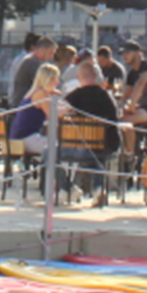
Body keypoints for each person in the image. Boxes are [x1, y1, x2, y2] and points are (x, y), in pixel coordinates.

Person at [62, 59, 119, 202]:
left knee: (50, 153)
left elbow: (60, 113)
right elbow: (114, 120)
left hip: (76, 147)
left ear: (79, 78)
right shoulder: (106, 97)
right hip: (104, 146)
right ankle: (98, 189)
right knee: (95, 152)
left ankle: (68, 188)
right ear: (96, 76)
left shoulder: (73, 97)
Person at [119, 40, 147, 151]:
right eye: (123, 53)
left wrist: (131, 106)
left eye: (127, 53)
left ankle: (129, 154)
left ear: (137, 54)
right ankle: (129, 151)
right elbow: (126, 95)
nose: (124, 56)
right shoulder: (131, 74)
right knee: (120, 119)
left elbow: (140, 84)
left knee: (126, 121)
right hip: (142, 109)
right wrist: (121, 108)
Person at [9, 62, 61, 160]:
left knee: (56, 144)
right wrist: (68, 108)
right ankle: (52, 169)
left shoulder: (33, 91)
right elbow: (54, 115)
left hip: (19, 138)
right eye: (55, 78)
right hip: (26, 139)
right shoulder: (41, 94)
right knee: (60, 148)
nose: (58, 82)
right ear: (48, 79)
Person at [11, 35, 56, 106]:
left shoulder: (31, 60)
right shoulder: (32, 62)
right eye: (51, 52)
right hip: (24, 104)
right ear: (42, 50)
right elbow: (42, 85)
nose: (52, 56)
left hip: (23, 102)